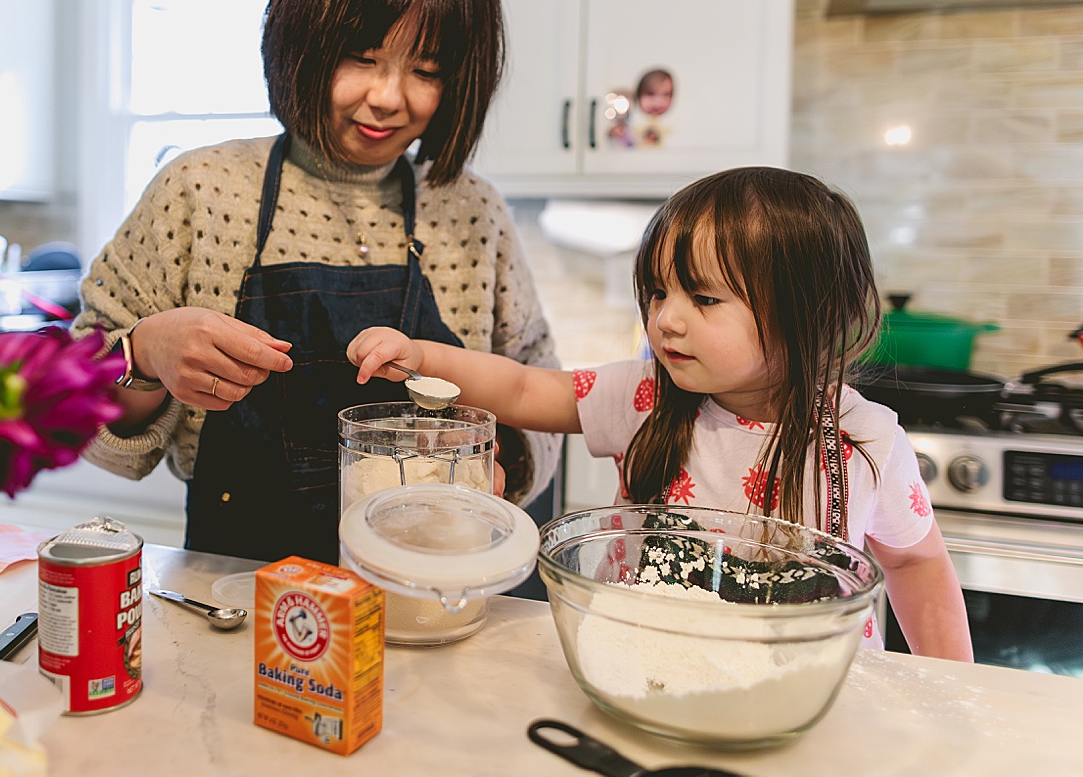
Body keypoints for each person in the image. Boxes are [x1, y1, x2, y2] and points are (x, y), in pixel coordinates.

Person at [72, 0, 561, 564]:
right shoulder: (201, 191)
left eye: (426, 71)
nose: (389, 98)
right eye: (362, 58)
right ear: (301, 38)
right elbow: (71, 405)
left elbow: (543, 389)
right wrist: (144, 354)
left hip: (431, 589)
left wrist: (497, 459)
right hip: (239, 593)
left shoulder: (469, 210)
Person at [348, 166, 973, 661]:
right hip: (640, 672)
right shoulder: (645, 397)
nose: (666, 319)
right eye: (658, 291)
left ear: (808, 315)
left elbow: (917, 563)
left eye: (703, 297)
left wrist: (950, 691)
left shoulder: (863, 442)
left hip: (807, 701)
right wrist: (424, 354)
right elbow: (520, 390)